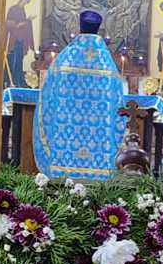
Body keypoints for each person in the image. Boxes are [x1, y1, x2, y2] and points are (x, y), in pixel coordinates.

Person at [33, 10, 127, 180]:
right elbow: (119, 103)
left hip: (64, 138)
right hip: (100, 142)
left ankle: (62, 176)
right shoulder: (107, 63)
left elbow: (47, 96)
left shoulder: (65, 59)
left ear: (80, 26)